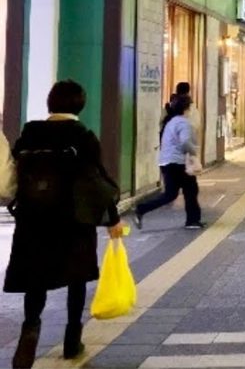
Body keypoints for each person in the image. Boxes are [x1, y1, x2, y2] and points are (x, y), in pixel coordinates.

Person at [5, 80, 124, 368]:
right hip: (73, 219)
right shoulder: (82, 136)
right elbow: (97, 181)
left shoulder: (30, 133)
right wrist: (113, 219)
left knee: (36, 279)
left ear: (51, 103)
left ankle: (30, 329)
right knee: (76, 278)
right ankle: (72, 338)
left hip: (34, 219)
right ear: (79, 105)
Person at [134, 95, 204, 231]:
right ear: (187, 108)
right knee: (190, 190)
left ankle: (141, 209)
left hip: (166, 162)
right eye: (192, 106)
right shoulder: (184, 123)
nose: (193, 109)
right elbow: (185, 142)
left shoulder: (171, 122)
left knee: (170, 194)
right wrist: (194, 157)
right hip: (178, 163)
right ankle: (192, 220)